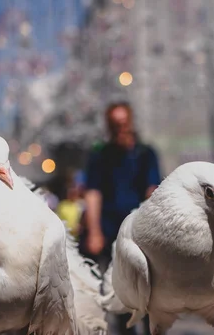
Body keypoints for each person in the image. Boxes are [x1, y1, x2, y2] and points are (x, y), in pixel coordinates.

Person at [79, 102, 161, 335]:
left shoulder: (146, 153)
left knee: (148, 293)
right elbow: (93, 193)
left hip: (141, 232)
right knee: (120, 297)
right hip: (111, 232)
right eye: (115, 124)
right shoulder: (100, 155)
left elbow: (152, 189)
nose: (120, 128)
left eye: (123, 123)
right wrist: (94, 231)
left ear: (131, 122)